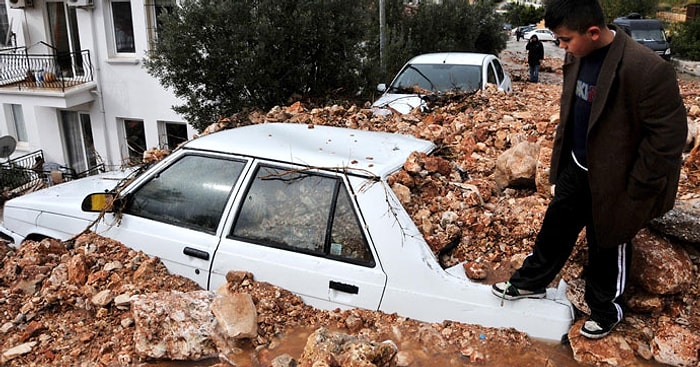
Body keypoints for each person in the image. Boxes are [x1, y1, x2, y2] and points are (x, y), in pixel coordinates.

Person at [492, 0, 687, 340]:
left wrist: (636, 191)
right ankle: (531, 282)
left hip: (618, 182)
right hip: (577, 168)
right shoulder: (577, 54)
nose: (561, 47)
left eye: (565, 39)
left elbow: (667, 140)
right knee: (555, 229)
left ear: (593, 32)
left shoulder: (647, 69)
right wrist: (561, 165)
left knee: (607, 245)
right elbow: (572, 112)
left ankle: (607, 309)